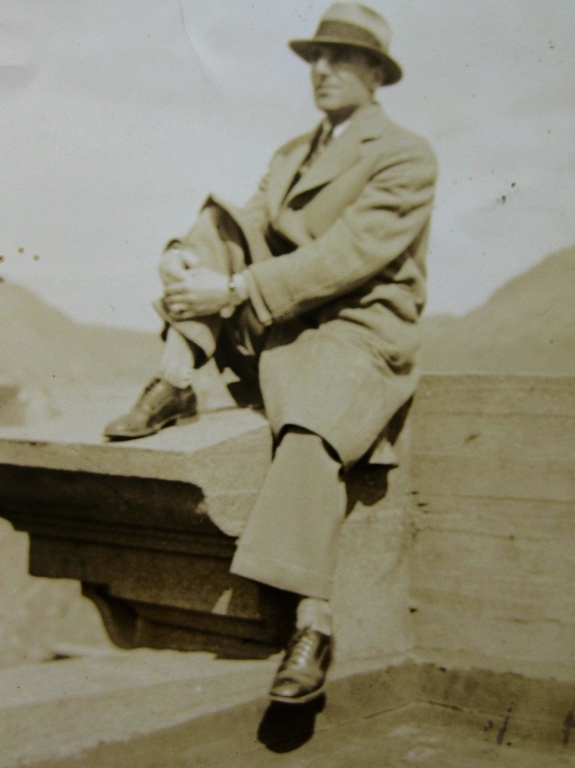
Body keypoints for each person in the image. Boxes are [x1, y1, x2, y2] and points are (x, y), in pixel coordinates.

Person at [104, 2, 437, 704]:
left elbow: (351, 257)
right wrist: (182, 264)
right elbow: (247, 227)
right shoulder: (291, 153)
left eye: (340, 58)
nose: (321, 71)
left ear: (375, 72)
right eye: (314, 58)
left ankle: (311, 620)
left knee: (310, 424)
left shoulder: (405, 155)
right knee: (217, 221)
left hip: (358, 331)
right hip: (280, 321)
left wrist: (230, 290)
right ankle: (175, 372)